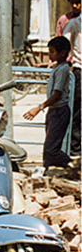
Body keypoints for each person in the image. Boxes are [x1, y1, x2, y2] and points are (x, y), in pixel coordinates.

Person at [23, 36, 73, 171]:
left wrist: (39, 107)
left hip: (59, 112)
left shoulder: (63, 70)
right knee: (48, 149)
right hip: (54, 112)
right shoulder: (58, 66)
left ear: (62, 53)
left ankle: (72, 165)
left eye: (52, 52)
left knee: (51, 148)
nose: (49, 55)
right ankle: (48, 173)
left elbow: (57, 94)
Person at [63, 13, 81, 157]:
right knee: (77, 110)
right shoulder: (74, 24)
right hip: (79, 69)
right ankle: (75, 147)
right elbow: (63, 43)